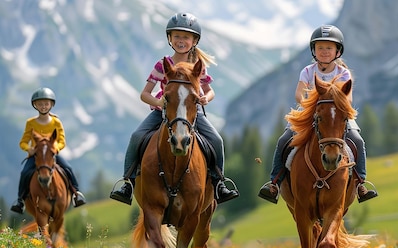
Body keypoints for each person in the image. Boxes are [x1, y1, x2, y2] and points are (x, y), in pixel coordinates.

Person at [110, 12, 239, 205]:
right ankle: (127, 183)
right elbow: (144, 94)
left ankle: (219, 182)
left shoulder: (198, 67)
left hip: (190, 114)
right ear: (169, 38)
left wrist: (205, 98)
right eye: (177, 36)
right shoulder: (162, 65)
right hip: (163, 113)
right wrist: (159, 103)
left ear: (194, 40)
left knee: (216, 140)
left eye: (186, 37)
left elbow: (210, 91)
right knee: (137, 136)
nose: (181, 40)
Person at [258, 25, 378, 204]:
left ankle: (361, 183)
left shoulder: (343, 73)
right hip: (309, 113)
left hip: (337, 116)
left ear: (337, 51)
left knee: (358, 141)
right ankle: (274, 182)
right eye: (320, 47)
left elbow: (347, 98)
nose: (324, 51)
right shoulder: (307, 71)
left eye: (329, 48)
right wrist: (310, 106)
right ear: (313, 50)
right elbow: (299, 94)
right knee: (284, 140)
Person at [10, 88, 87, 214]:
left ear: (51, 104)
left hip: (51, 155)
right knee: (24, 173)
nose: (43, 106)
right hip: (36, 156)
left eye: (46, 103)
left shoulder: (56, 122)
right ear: (35, 105)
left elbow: (62, 140)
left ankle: (76, 194)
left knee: (68, 168)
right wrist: (29, 149)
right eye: (40, 104)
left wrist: (56, 148)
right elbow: (23, 142)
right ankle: (20, 201)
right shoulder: (31, 123)